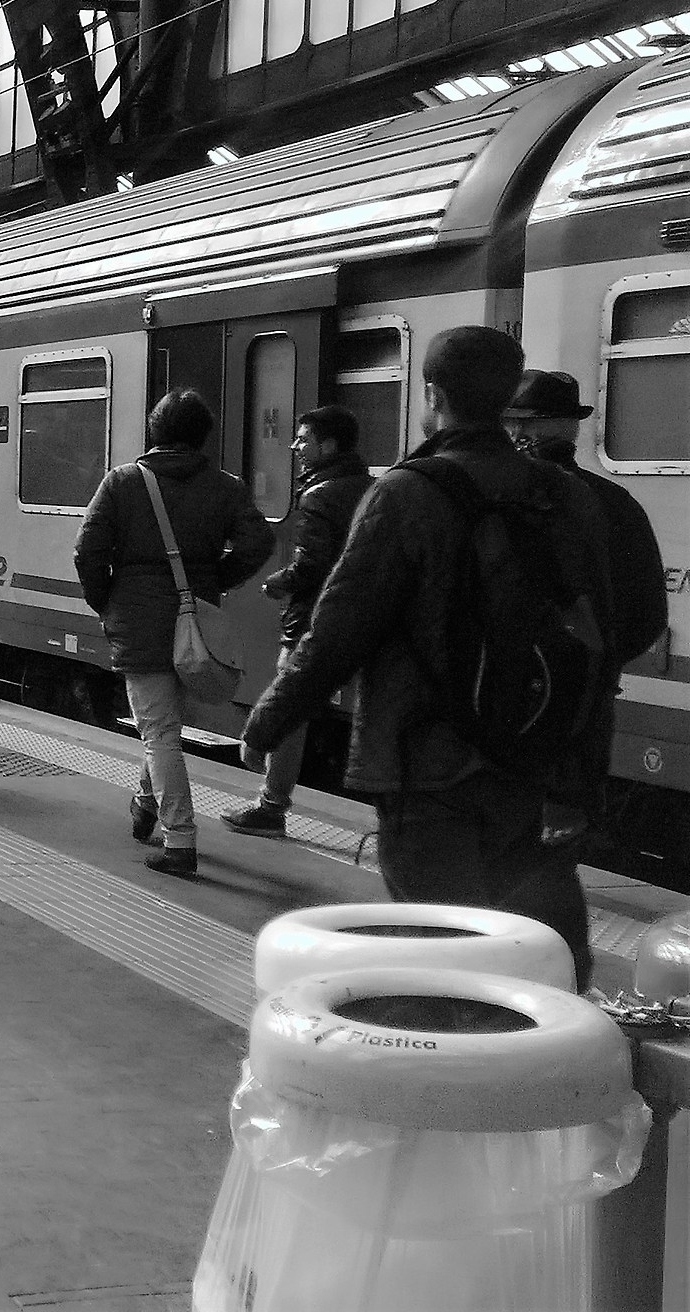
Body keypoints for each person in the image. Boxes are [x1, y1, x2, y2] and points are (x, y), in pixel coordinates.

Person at [242, 327, 616, 986]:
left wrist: (269, 721)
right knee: (520, 950)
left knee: (442, 948)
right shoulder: (567, 496)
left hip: (425, 762)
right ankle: (523, 1067)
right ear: (506, 399)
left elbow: (338, 630)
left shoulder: (405, 494)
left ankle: (460, 1069)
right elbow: (599, 637)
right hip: (530, 760)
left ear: (433, 395)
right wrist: (578, 774)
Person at [75, 389, 273, 877]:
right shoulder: (225, 488)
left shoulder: (122, 483)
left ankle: (180, 841)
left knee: (159, 730)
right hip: (196, 620)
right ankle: (146, 805)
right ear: (202, 436)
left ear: (155, 431)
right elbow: (259, 541)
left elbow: (88, 551)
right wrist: (213, 581)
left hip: (138, 621)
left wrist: (107, 599)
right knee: (164, 726)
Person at [504, 369, 671, 829]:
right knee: (555, 852)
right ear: (572, 428)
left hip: (502, 718)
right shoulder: (617, 503)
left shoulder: (505, 499)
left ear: (521, 429)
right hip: (583, 718)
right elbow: (648, 614)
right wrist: (598, 663)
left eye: (518, 423)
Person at [221, 406, 372, 839]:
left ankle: (271, 806)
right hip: (367, 619)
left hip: (311, 621)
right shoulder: (373, 488)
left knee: (291, 708)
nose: (295, 447)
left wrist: (277, 582)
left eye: (303, 439)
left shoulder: (319, 495)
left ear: (328, 446)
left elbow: (313, 565)